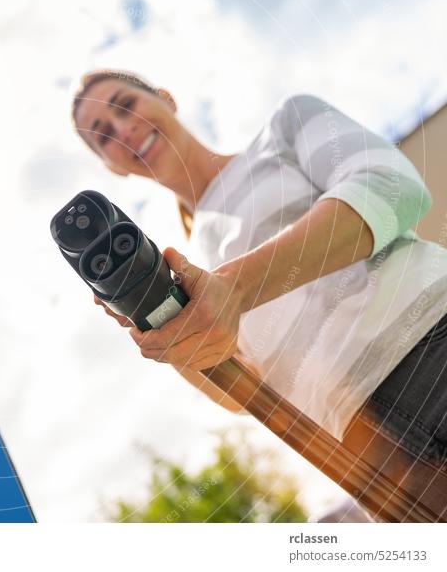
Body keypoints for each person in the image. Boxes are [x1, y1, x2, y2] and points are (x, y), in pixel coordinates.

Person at [71, 69, 447, 473]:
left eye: (126, 106)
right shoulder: (181, 271)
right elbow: (244, 395)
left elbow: (391, 187)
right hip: (364, 445)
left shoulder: (286, 127)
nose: (123, 129)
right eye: (103, 135)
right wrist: (168, 335)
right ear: (112, 167)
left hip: (431, 337)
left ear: (166, 97)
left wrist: (235, 288)